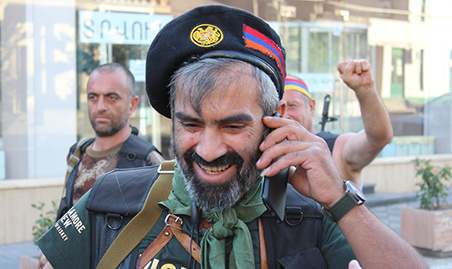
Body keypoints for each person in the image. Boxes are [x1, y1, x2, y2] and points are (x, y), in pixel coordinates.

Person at [38, 5, 427, 269]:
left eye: (232, 126)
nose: (208, 150)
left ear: (273, 122)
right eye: (191, 125)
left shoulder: (312, 219)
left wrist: (340, 200)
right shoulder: (111, 202)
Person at [56, 63, 164, 219]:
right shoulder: (77, 152)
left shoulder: (148, 161)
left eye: (111, 97)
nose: (100, 107)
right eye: (93, 97)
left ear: (132, 105)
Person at [282, 62, 393, 188]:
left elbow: (377, 138)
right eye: (278, 108)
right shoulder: (262, 151)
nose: (284, 115)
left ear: (312, 107)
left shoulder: (336, 148)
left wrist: (365, 90)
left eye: (292, 105)